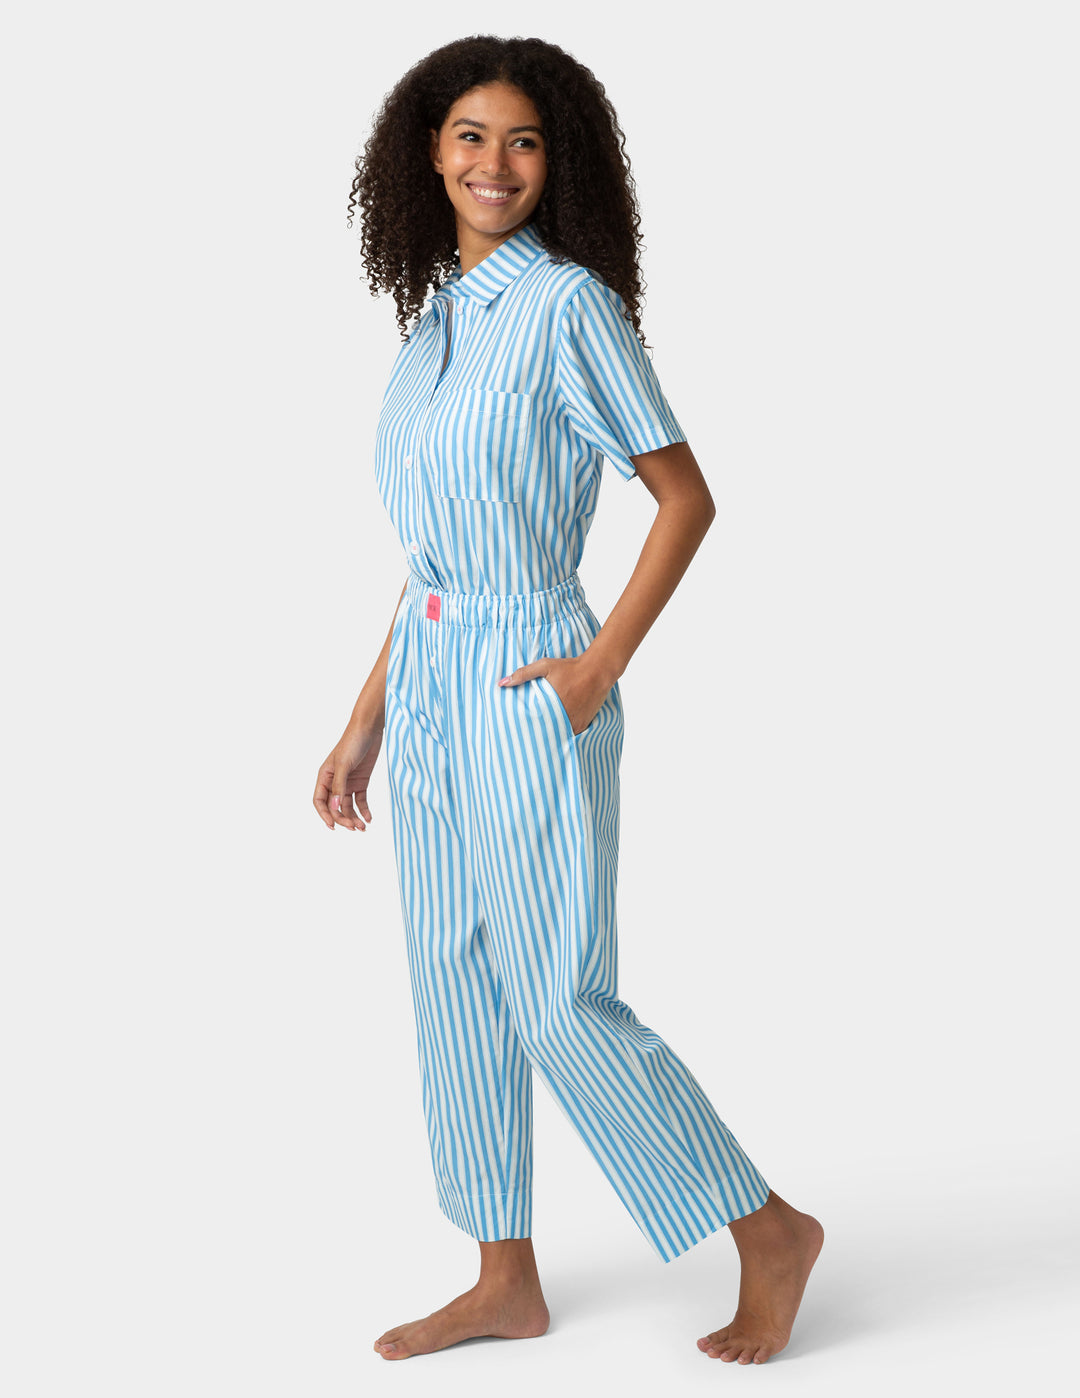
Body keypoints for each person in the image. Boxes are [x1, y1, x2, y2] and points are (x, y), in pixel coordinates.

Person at [314, 35, 823, 1365]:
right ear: (427, 153)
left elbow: (685, 498)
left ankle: (764, 1226)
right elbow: (433, 554)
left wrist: (598, 667)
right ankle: (502, 1273)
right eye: (472, 136)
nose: (496, 163)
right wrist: (365, 712)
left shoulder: (568, 309)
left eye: (525, 141)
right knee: (454, 976)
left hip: (534, 671)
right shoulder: (431, 331)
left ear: (558, 164)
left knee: (555, 991)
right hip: (426, 676)